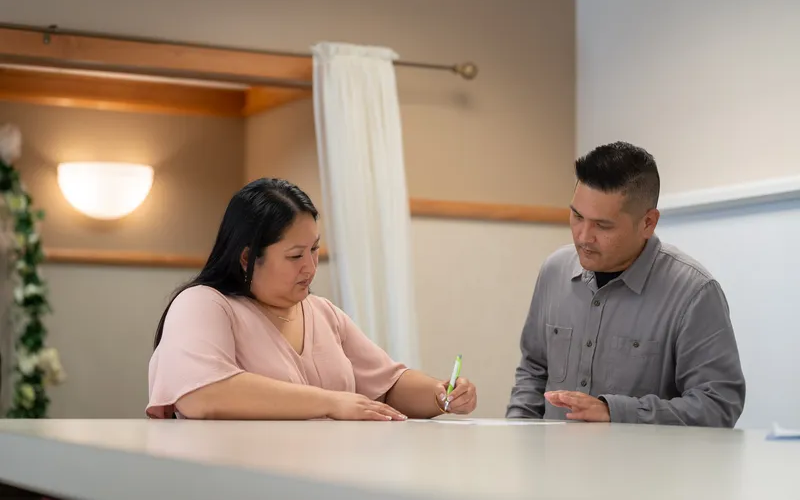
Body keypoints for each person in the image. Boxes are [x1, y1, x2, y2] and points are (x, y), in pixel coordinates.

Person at [147, 178, 477, 420]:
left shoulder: (322, 312)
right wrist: (331, 402)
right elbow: (202, 394)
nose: (310, 266)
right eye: (295, 256)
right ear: (247, 258)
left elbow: (387, 386)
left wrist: (441, 394)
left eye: (315, 249)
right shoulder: (203, 304)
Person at [506, 142, 745, 427]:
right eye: (577, 216)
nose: (583, 236)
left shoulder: (694, 293)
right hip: (553, 465)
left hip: (644, 470)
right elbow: (533, 372)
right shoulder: (554, 271)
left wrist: (615, 412)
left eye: (602, 226)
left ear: (647, 223)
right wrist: (516, 436)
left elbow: (718, 405)